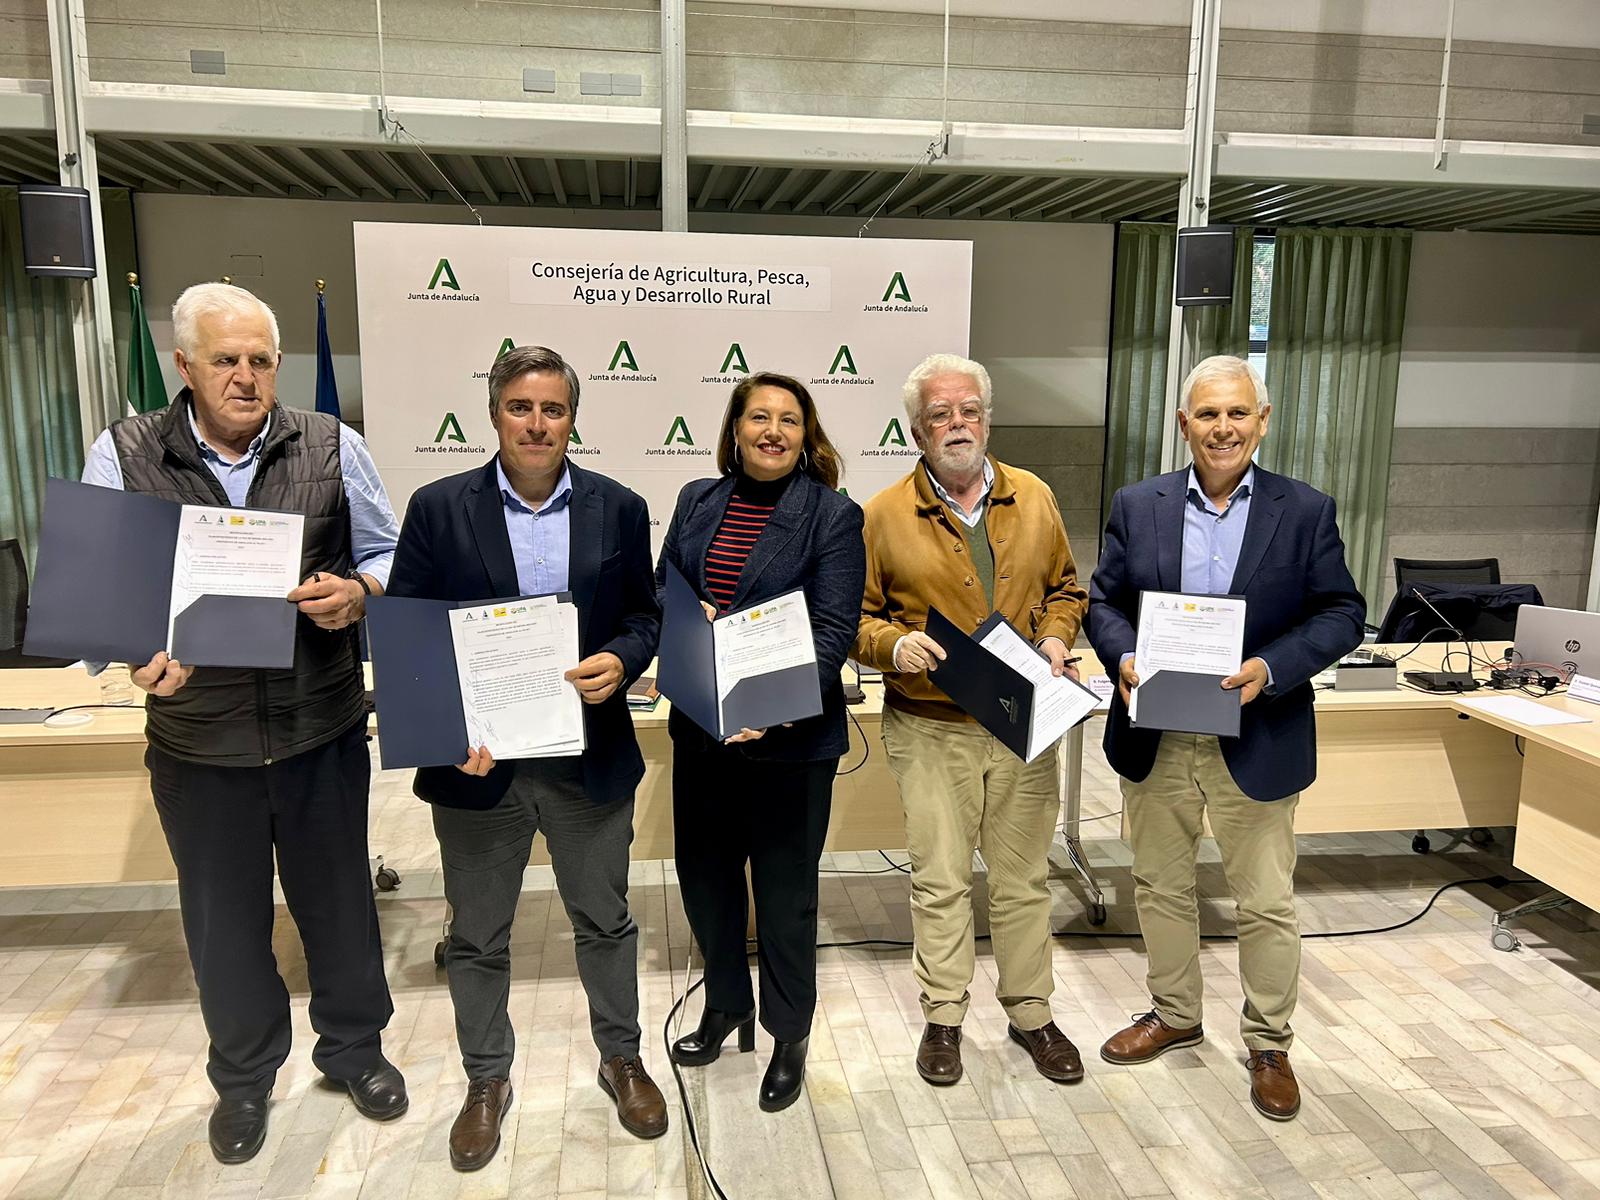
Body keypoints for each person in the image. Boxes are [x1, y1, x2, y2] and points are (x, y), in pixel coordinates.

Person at [80, 282, 406, 1164]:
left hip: (319, 726)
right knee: (223, 923)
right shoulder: (125, 453)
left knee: (340, 906)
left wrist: (360, 592)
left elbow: (386, 550)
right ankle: (245, 1076)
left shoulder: (333, 444)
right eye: (226, 360)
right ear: (183, 365)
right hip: (197, 742)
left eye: (261, 359)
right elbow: (103, 592)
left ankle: (354, 1051)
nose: (247, 376)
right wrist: (132, 648)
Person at [385, 345, 667, 1171]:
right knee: (476, 937)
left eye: (553, 409)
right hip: (480, 769)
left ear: (573, 418)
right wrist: (444, 731)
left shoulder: (619, 507)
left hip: (588, 761)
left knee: (605, 922)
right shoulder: (439, 508)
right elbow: (408, 632)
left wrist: (622, 659)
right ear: (495, 413)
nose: (537, 424)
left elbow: (645, 618)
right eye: (521, 407)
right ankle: (486, 1079)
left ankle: (622, 1057)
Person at [1087, 355, 1365, 1121]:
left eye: (1238, 413)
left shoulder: (1304, 510)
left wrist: (1272, 667)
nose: (1223, 428)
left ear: (1262, 421)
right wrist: (1121, 655)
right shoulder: (1138, 504)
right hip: (1159, 733)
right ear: (1184, 424)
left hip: (1259, 729)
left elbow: (1342, 612)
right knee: (1158, 885)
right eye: (1207, 415)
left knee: (1266, 900)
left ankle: (1269, 1042)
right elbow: (1102, 602)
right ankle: (1174, 1013)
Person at [853, 353, 1089, 1088]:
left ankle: (1031, 1016)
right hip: (929, 727)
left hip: (1023, 723)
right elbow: (855, 620)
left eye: (969, 412)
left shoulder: (1037, 496)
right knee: (942, 881)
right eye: (939, 416)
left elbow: (1067, 590)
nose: (957, 425)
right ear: (916, 431)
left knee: (1023, 881)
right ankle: (945, 1018)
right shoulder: (883, 514)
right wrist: (895, 644)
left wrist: (1056, 634)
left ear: (985, 418)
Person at [656, 372, 865, 1112]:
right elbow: (665, 592)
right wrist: (691, 619)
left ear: (806, 435)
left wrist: (773, 707)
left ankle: (788, 1034)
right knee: (706, 885)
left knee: (784, 900)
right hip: (704, 733)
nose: (772, 430)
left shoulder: (833, 516)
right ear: (735, 428)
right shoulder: (697, 501)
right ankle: (725, 1006)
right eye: (758, 417)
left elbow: (835, 631)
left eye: (788, 419)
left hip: (789, 745)